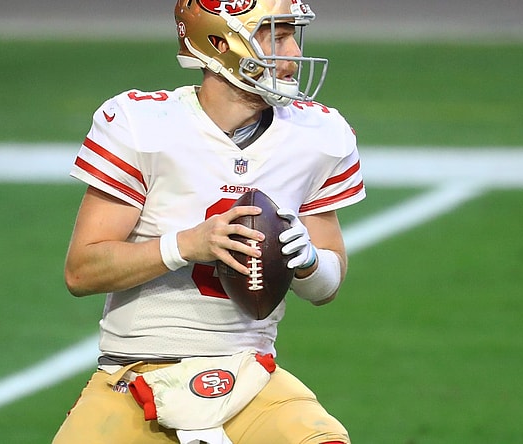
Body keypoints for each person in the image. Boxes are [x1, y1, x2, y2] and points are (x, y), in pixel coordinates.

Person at [52, 0, 365, 443]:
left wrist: (310, 262)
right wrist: (186, 246)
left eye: (293, 34)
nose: (293, 53)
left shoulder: (317, 136)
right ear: (219, 42)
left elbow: (327, 287)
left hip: (249, 373)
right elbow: (82, 271)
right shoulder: (142, 125)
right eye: (275, 35)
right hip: (135, 370)